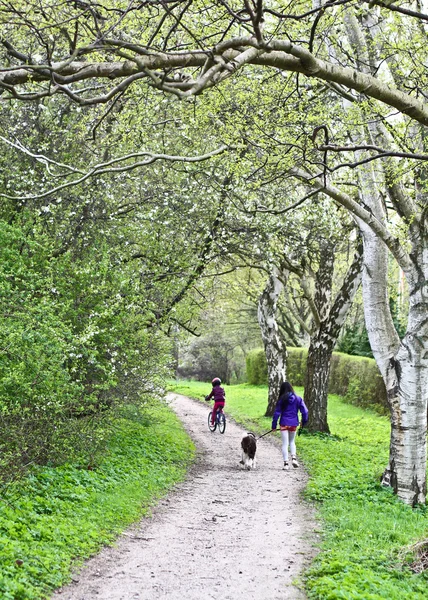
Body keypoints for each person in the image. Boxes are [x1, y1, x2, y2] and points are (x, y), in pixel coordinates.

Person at [271, 381, 308, 470]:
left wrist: (274, 425)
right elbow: (305, 411)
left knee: (285, 443)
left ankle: (286, 464)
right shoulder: (298, 399)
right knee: (292, 442)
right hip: (293, 424)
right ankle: (294, 459)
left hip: (284, 424)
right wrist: (304, 421)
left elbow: (276, 413)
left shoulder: (281, 400)